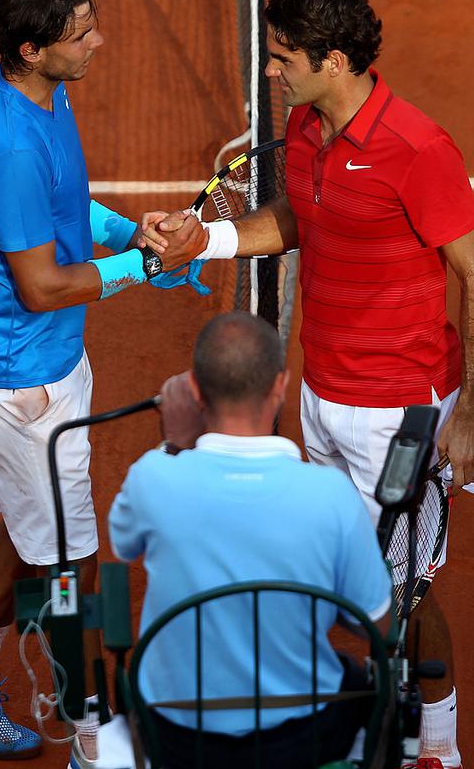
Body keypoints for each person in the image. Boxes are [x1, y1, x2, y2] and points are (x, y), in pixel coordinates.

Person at [155, 0, 474, 769]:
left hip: (400, 411)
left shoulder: (417, 148)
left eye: (283, 57)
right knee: (349, 574)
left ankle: (438, 745)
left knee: (407, 595)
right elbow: (293, 220)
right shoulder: (308, 130)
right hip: (322, 395)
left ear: (335, 60)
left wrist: (470, 412)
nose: (271, 72)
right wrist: (202, 241)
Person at [0, 0, 206, 763]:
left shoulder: (39, 90)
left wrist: (124, 235)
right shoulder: (4, 144)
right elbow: (40, 286)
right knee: (69, 564)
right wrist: (141, 267)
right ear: (32, 48)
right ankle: (88, 741)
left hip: (30, 368)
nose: (99, 42)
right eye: (82, 34)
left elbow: (66, 202)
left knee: (29, 526)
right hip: (19, 384)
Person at [109, 312, 394, 769]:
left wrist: (175, 443)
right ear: (281, 385)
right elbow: (377, 627)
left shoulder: (153, 478)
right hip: (301, 743)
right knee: (361, 683)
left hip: (177, 739)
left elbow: (122, 545)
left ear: (196, 392)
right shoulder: (331, 496)